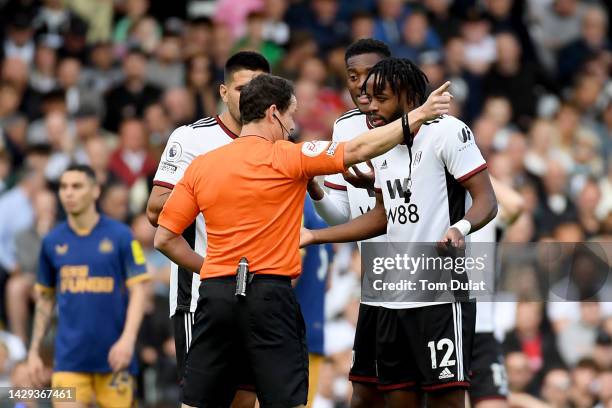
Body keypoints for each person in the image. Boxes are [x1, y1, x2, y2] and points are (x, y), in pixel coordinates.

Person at [153, 73, 452, 408]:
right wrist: (419, 115)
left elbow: (164, 238)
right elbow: (358, 148)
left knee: (196, 402)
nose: (292, 125)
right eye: (291, 115)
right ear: (272, 113)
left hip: (215, 297)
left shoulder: (202, 166)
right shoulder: (288, 156)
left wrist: (210, 269)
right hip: (268, 296)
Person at [301, 58, 498, 408]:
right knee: (395, 400)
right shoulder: (382, 142)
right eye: (369, 96)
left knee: (447, 401)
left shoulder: (449, 131)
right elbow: (382, 216)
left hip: (439, 291)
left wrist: (460, 227)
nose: (371, 106)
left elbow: (487, 200)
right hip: (392, 293)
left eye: (382, 97)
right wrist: (316, 237)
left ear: (408, 97)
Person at [146, 50, 270, 406]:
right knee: (204, 399)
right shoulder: (191, 138)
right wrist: (218, 196)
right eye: (242, 87)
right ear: (223, 91)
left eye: (259, 88)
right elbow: (155, 209)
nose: (250, 96)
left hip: (256, 294)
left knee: (246, 399)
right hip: (199, 294)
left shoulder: (275, 142)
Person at [306, 37, 391, 408]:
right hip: (374, 276)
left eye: (368, 74)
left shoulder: (423, 122)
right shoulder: (344, 128)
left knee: (420, 390)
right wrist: (316, 189)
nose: (358, 83)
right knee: (366, 390)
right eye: (351, 75)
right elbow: (345, 212)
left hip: (421, 272)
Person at [27, 164, 149, 407]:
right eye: (63, 187)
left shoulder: (121, 235)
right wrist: (34, 351)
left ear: (95, 191)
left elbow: (139, 290)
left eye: (76, 186)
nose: (68, 193)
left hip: (115, 358)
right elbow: (45, 299)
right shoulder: (52, 241)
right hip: (69, 361)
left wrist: (127, 340)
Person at [293, 196, 334, 407]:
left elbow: (291, 270)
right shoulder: (322, 208)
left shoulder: (295, 201)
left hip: (289, 333)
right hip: (314, 329)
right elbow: (328, 282)